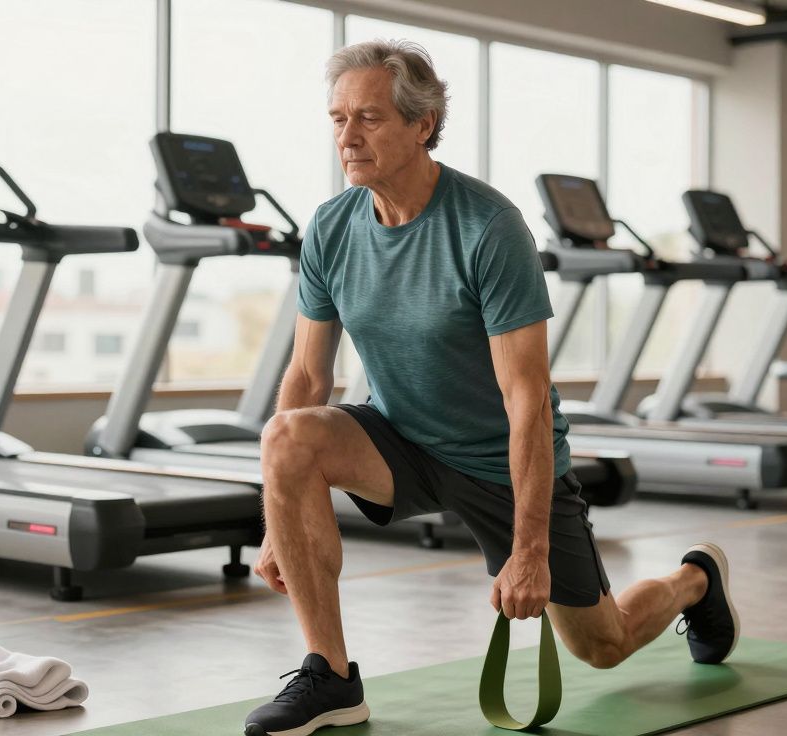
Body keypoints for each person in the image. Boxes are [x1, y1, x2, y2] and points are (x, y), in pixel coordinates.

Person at [243, 40, 738, 736]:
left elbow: (527, 398)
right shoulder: (332, 226)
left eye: (370, 118)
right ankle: (331, 677)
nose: (347, 138)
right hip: (401, 443)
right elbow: (307, 375)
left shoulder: (487, 227)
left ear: (423, 124)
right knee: (288, 435)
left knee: (604, 644)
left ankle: (696, 581)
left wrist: (529, 549)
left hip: (500, 463)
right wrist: (276, 520)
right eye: (337, 119)